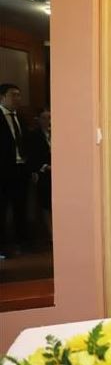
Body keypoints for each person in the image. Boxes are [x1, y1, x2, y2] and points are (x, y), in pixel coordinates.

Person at [0, 83, 30, 259]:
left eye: (19, 95)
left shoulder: (21, 118)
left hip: (20, 170)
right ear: (2, 97)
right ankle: (2, 247)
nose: (18, 98)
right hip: (3, 171)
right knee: (1, 210)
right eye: (13, 95)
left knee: (21, 208)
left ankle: (22, 242)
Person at [27, 108, 52, 236]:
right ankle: (50, 232)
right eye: (45, 117)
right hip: (43, 173)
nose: (48, 121)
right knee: (45, 203)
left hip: (57, 173)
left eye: (50, 117)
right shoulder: (34, 135)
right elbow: (32, 157)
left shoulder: (55, 133)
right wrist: (46, 166)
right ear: (39, 119)